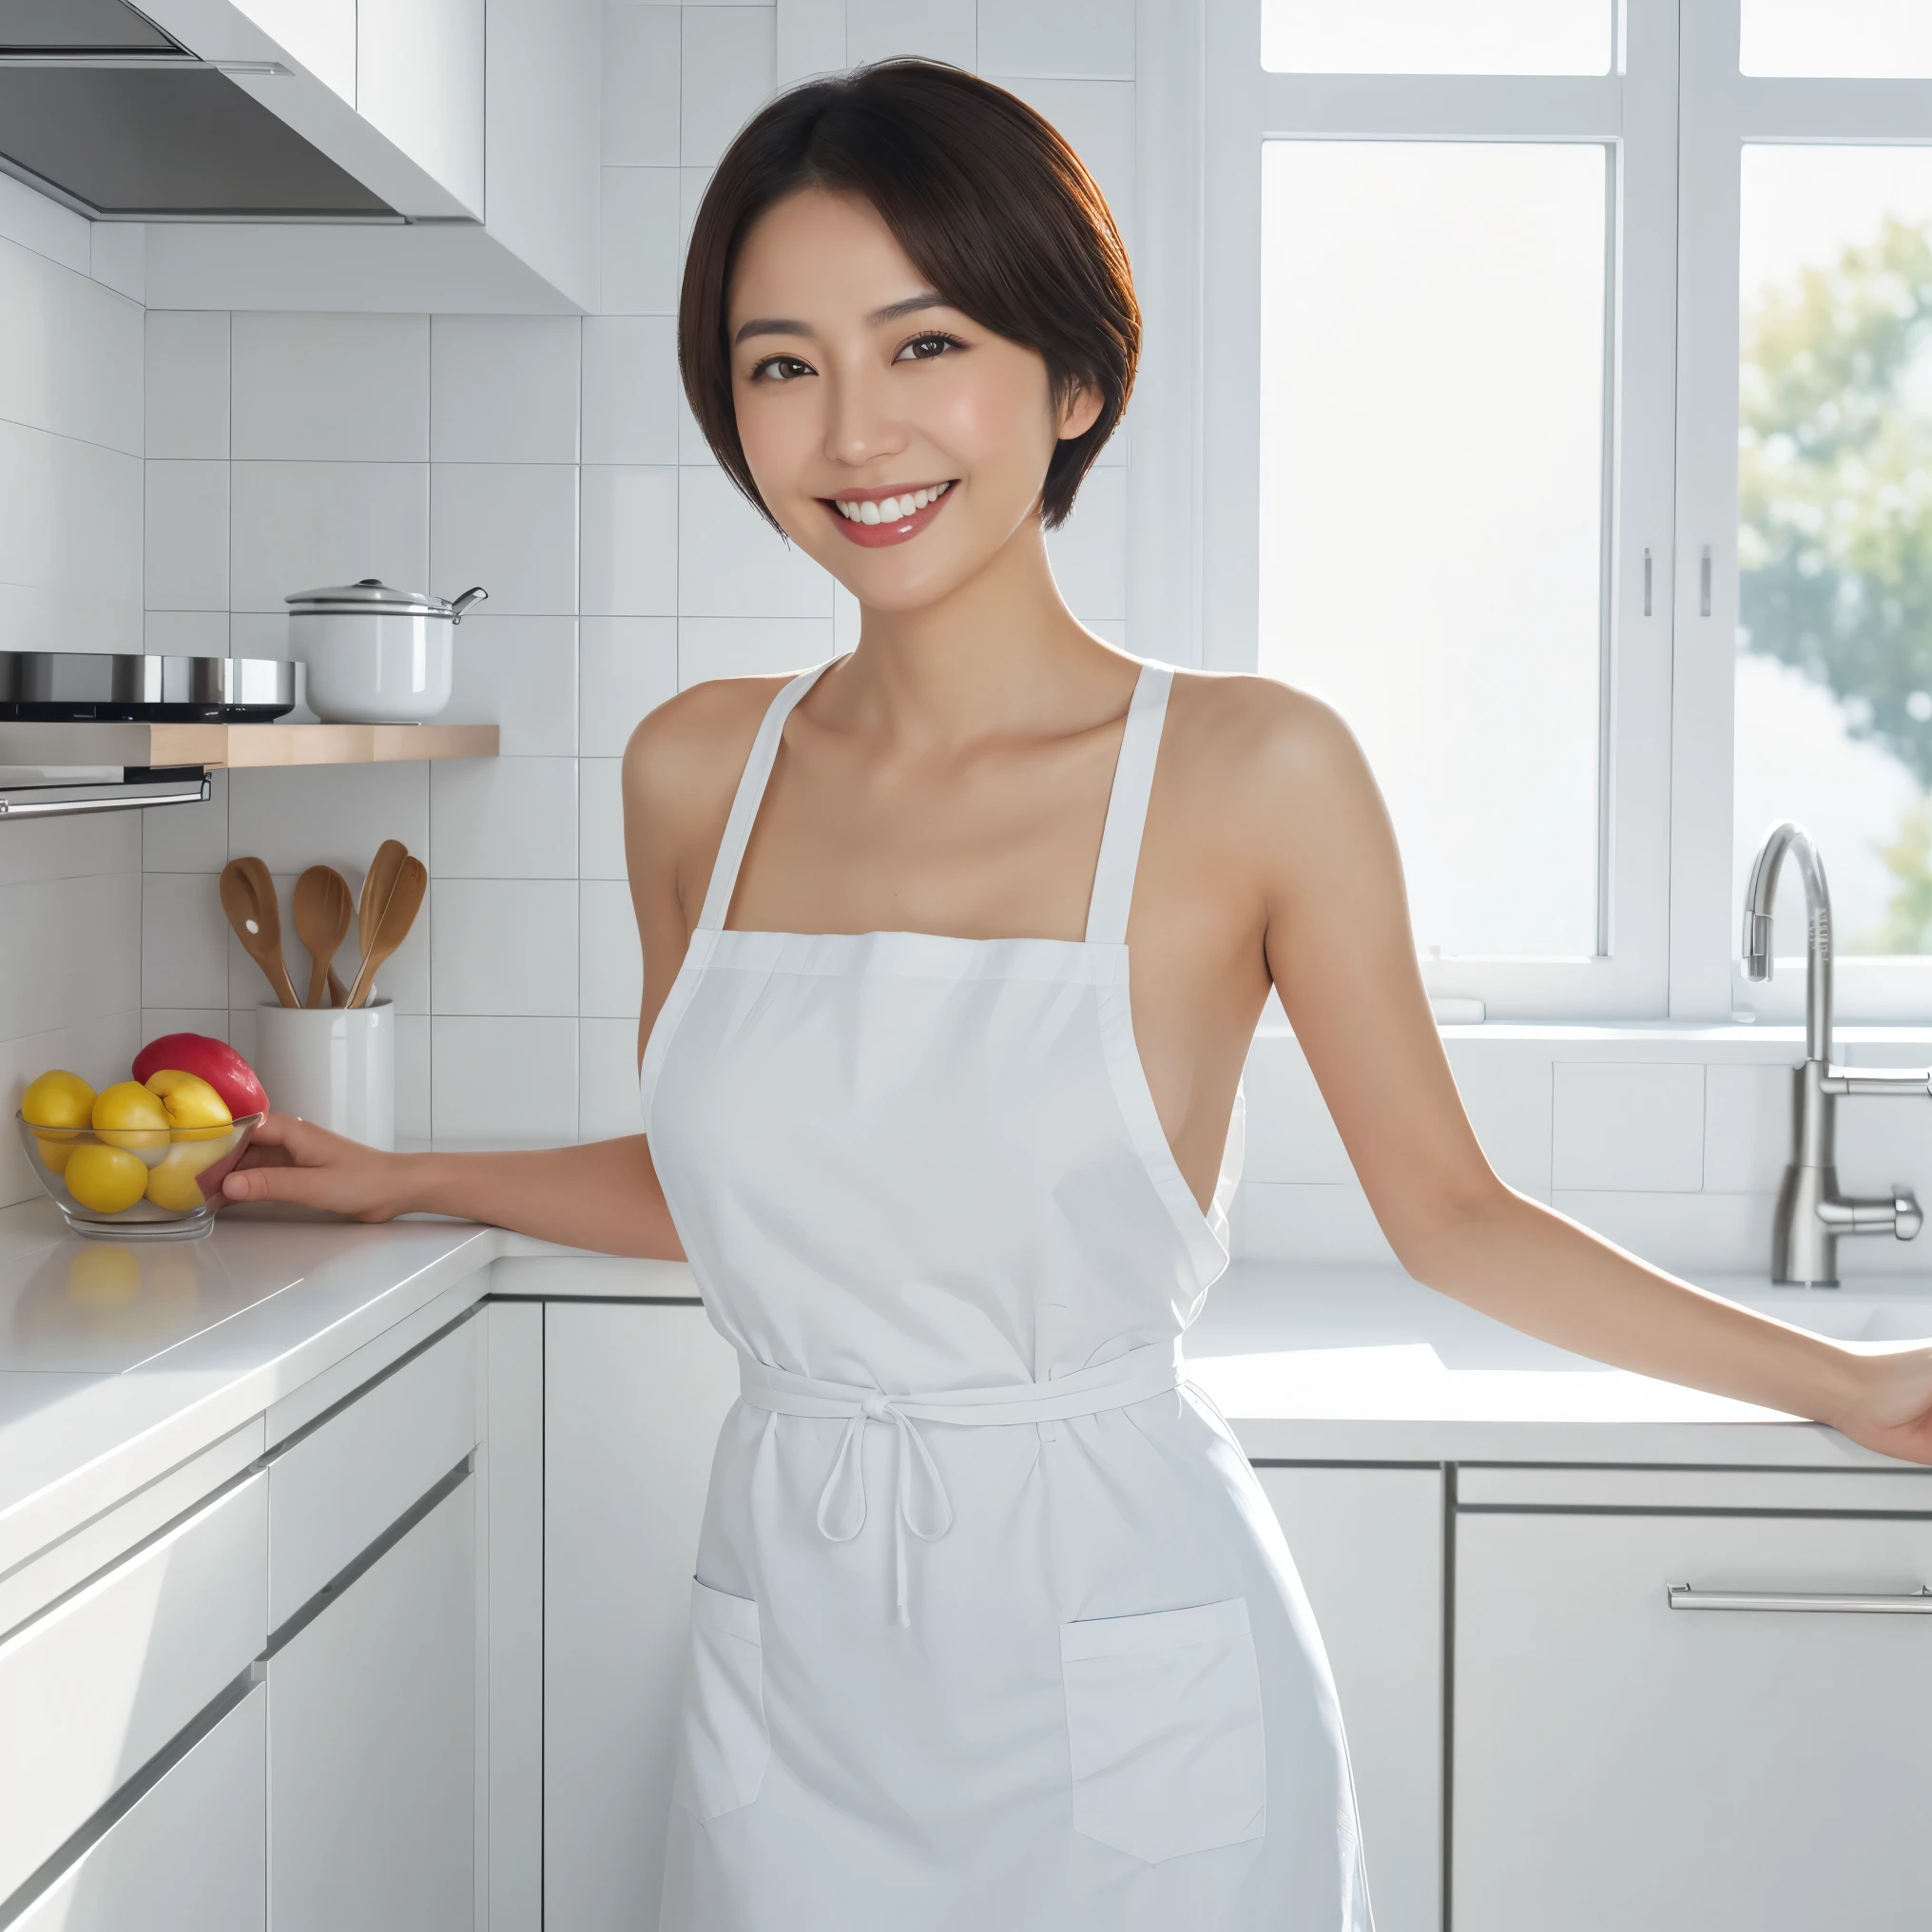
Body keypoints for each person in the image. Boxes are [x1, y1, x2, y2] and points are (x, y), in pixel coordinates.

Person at [224, 58, 1932, 1932]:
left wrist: (1844, 1379)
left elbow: (1448, 1215)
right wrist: (411, 1174)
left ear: (1073, 378)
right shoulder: (693, 771)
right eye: (780, 361)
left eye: (923, 342)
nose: (853, 431)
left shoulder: (1249, 770)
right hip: (790, 1662)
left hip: (1131, 1661)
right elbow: (747, 1188)